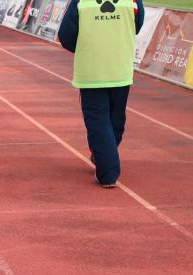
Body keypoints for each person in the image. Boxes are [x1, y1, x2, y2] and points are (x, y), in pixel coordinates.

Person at [58, 0, 144, 188]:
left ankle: (107, 172)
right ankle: (104, 156)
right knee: (116, 120)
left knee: (99, 121)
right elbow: (137, 25)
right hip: (120, 69)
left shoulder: (80, 1)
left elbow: (66, 36)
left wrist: (85, 46)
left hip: (92, 72)